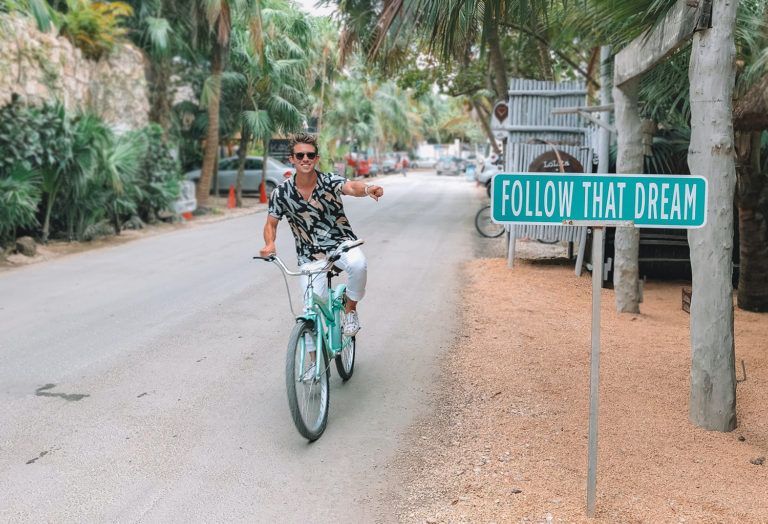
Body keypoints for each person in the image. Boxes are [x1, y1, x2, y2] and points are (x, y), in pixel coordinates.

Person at [260, 133, 384, 336]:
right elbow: (271, 224)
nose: (305, 159)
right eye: (300, 156)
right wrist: (269, 244)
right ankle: (311, 366)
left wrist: (368, 188)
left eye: (310, 155)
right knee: (310, 313)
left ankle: (350, 309)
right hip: (309, 255)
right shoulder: (281, 193)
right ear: (292, 158)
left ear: (316, 158)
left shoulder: (329, 181)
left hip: (341, 244)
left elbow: (352, 187)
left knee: (358, 264)